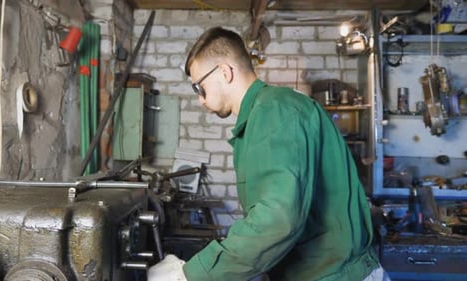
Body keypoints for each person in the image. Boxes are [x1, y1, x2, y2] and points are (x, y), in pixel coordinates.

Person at [147, 26, 391, 281]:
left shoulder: (275, 111)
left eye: (199, 88)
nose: (201, 100)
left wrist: (191, 275)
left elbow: (277, 218)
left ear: (224, 72)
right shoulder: (263, 116)